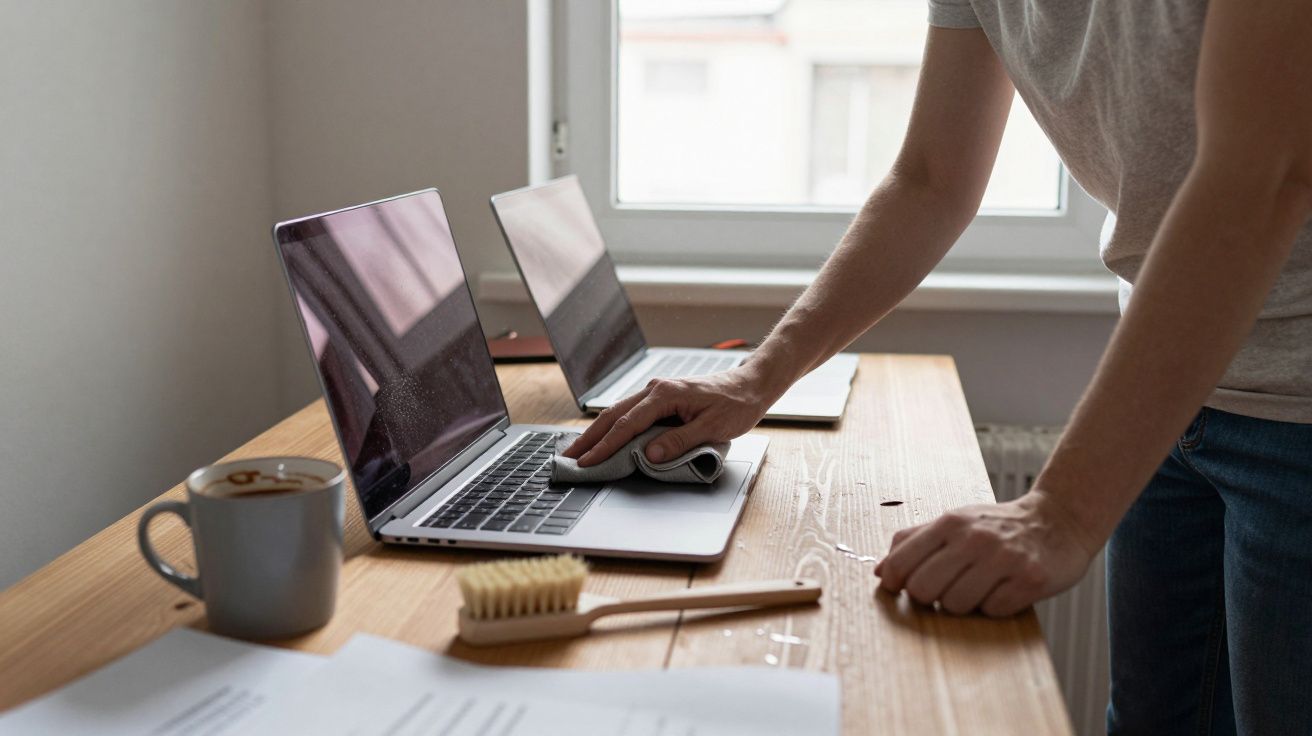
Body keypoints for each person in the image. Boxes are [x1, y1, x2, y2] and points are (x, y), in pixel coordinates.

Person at [563, 2, 1312, 733]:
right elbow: (931, 178)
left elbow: (1266, 173)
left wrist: (1061, 513)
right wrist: (756, 378)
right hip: (1168, 388)